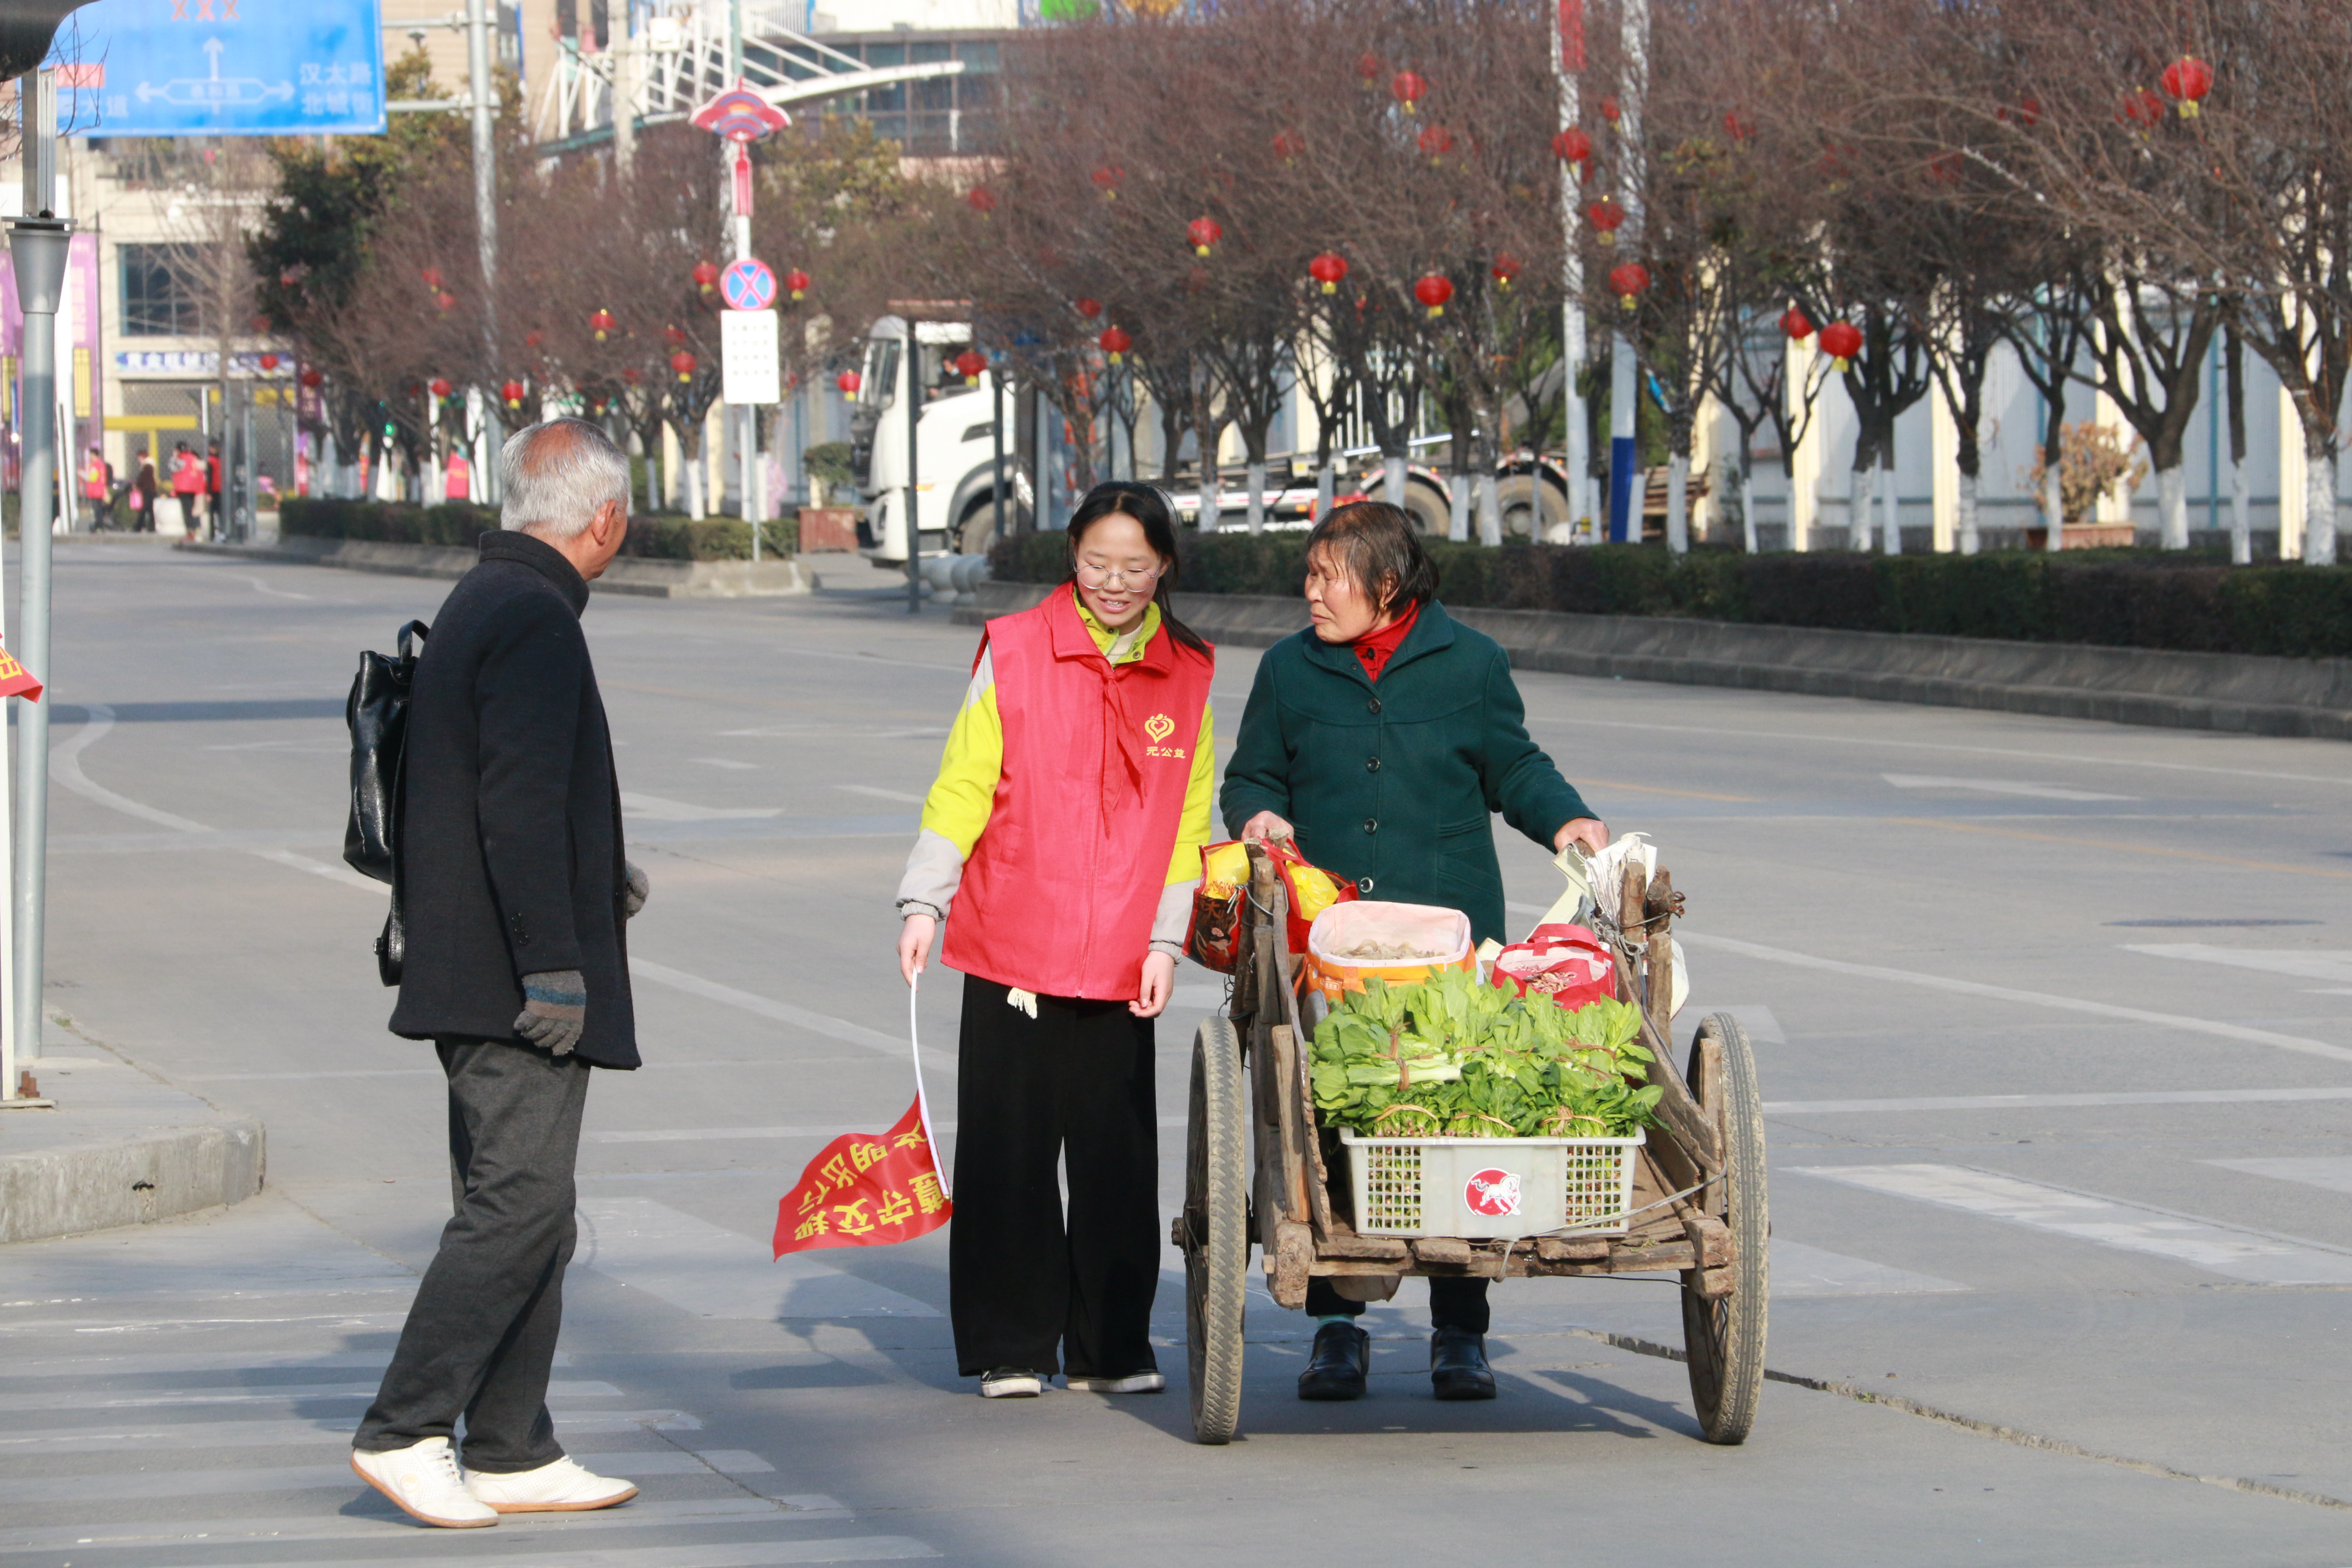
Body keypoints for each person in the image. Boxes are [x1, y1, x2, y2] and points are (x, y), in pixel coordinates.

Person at [1220, 500, 1607, 1404]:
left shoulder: (1468, 661)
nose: (1308, 591)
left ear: (1385, 584)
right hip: (1330, 941)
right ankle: (1334, 1327)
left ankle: (1458, 1331)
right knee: (1326, 1116)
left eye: (1327, 575)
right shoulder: (1287, 668)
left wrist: (1568, 818)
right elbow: (1251, 771)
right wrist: (1257, 812)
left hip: (1448, 939)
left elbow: (1511, 766)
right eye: (1308, 574)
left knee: (1454, 1119)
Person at [351, 418, 652, 1529]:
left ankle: (514, 1445)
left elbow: (501, 788)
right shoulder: (532, 616)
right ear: (605, 519)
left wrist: (596, 873)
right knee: (518, 1204)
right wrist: (555, 965)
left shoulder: (488, 596)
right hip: (508, 982)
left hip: (475, 960)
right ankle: (404, 1424)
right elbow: (515, 804)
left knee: (533, 1208)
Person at [895, 481, 1215, 1400]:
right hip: (1014, 941)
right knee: (1009, 1149)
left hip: (1123, 951)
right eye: (1095, 563)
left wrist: (1166, 940)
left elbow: (1188, 819)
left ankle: (1112, 1342)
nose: (1113, 583)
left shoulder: (1185, 670)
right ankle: (1011, 1342)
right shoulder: (1015, 649)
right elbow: (961, 785)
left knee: (1115, 1156)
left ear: (1164, 567)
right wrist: (925, 901)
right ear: (1070, 554)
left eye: (1134, 566)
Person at [168, 442, 202, 537]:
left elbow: (172, 468)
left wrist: (174, 457)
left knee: (187, 511)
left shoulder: (181, 460)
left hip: (184, 488)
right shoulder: (194, 458)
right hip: (194, 487)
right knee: (194, 509)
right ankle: (197, 528)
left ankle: (191, 531)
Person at [81, 446, 112, 531]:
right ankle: (99, 526)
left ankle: (99, 526)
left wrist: (82, 474)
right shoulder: (101, 465)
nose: (90, 458)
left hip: (95, 491)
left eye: (91, 455)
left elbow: (92, 478)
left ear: (94, 455)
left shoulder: (96, 465)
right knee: (99, 509)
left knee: (97, 510)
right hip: (99, 490)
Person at [131, 450, 158, 531]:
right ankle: (150, 526)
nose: (139, 460)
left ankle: (139, 527)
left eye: (139, 458)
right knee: (149, 510)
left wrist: (138, 485)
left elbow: (144, 479)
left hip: (147, 491)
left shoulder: (147, 467)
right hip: (150, 491)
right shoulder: (149, 466)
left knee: (144, 509)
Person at [204, 441, 223, 536]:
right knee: (221, 512)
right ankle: (222, 531)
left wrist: (208, 493)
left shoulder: (210, 460)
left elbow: (209, 478)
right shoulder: (223, 459)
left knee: (212, 512)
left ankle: (213, 533)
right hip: (223, 489)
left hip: (214, 489)